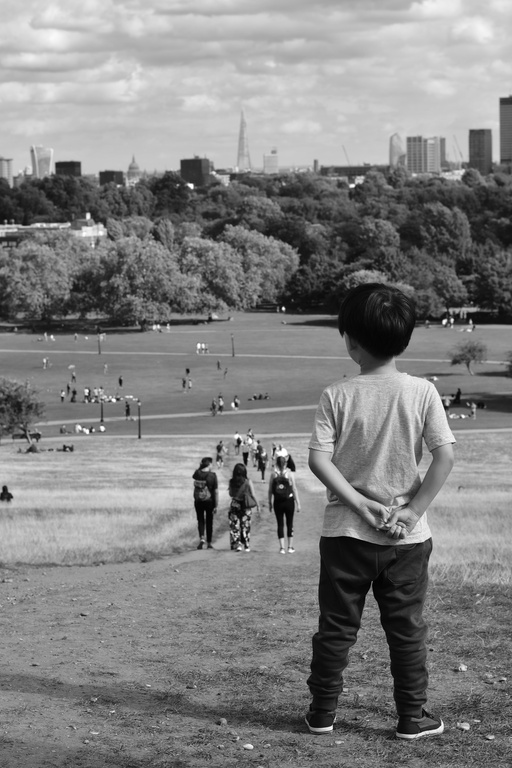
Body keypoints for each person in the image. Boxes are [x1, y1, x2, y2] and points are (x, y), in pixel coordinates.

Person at [306, 283, 455, 740]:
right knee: (407, 631)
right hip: (405, 541)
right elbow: (444, 456)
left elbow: (318, 459)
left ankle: (322, 715)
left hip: (345, 536)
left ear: (350, 340)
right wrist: (410, 512)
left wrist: (359, 503)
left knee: (335, 628)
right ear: (405, 338)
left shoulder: (337, 394)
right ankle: (412, 718)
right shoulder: (423, 392)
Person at [268, 456, 300, 553]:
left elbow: (270, 490)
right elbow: (294, 489)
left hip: (277, 501)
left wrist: (270, 503)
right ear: (285, 463)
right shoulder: (289, 474)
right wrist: (298, 503)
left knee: (280, 524)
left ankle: (282, 548)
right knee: (290, 523)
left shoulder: (273, 474)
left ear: (276, 463)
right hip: (289, 501)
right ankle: (290, 547)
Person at [228, 463, 259, 552]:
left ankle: (237, 544)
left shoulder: (231, 481)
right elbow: (253, 494)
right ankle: (246, 544)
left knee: (235, 525)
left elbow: (231, 494)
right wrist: (258, 505)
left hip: (235, 504)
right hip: (246, 506)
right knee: (245, 525)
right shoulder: (248, 481)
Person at [192, 457, 218, 550]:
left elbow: (194, 475)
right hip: (209, 501)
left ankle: (202, 538)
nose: (212, 465)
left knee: (200, 520)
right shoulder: (212, 475)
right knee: (209, 521)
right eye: (211, 464)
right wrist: (216, 505)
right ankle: (209, 542)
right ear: (209, 464)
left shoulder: (197, 473)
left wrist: (200, 467)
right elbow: (215, 492)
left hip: (198, 500)